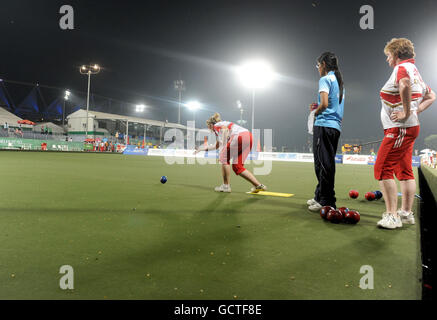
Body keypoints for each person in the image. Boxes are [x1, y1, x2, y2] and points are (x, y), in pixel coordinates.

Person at [375, 38, 436, 229]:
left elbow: (405, 85)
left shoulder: (402, 69)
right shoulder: (415, 70)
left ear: (396, 54)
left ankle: (392, 216)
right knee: (404, 171)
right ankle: (406, 213)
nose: (388, 60)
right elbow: (431, 96)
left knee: (382, 168)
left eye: (388, 56)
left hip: (400, 129)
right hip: (408, 127)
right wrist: (415, 112)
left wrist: (407, 112)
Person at [307, 52, 345, 212]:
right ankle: (319, 195)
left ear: (323, 64)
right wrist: (318, 107)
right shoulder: (339, 82)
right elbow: (332, 104)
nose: (318, 69)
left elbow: (324, 103)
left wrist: (315, 112)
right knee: (326, 162)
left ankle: (326, 200)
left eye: (318, 65)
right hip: (335, 127)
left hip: (323, 125)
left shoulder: (325, 79)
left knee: (322, 164)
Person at [194, 113, 266, 193]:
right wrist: (201, 149)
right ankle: (258, 185)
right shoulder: (219, 129)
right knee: (237, 167)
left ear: (211, 124)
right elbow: (216, 146)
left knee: (223, 158)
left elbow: (225, 130)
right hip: (249, 137)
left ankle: (226, 186)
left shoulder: (217, 125)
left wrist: (222, 151)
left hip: (240, 136)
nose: (209, 129)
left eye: (208, 126)